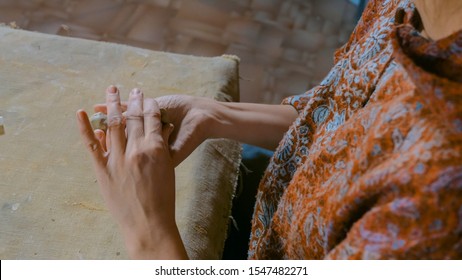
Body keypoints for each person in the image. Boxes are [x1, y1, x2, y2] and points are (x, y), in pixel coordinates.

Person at [76, 0, 462, 259]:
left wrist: (145, 225)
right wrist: (216, 114)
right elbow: (344, 114)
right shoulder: (411, 9)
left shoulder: (437, 206)